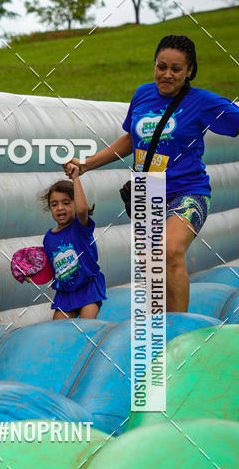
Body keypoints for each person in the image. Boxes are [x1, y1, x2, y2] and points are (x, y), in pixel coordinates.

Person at [64, 34, 239, 312]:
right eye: (161, 66)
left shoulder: (203, 102)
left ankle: (180, 331)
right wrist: (86, 164)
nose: (167, 74)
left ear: (190, 71)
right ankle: (161, 327)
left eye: (176, 69)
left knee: (168, 251)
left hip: (187, 191)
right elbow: (132, 140)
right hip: (148, 193)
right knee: (152, 269)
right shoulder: (142, 94)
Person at [39, 167, 106, 319]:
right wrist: (33, 275)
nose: (60, 207)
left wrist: (75, 178)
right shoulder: (48, 238)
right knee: (58, 330)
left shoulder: (80, 227)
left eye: (66, 202)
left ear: (75, 204)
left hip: (87, 289)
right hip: (65, 295)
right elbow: (52, 268)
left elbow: (82, 211)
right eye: (54, 204)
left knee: (86, 327)